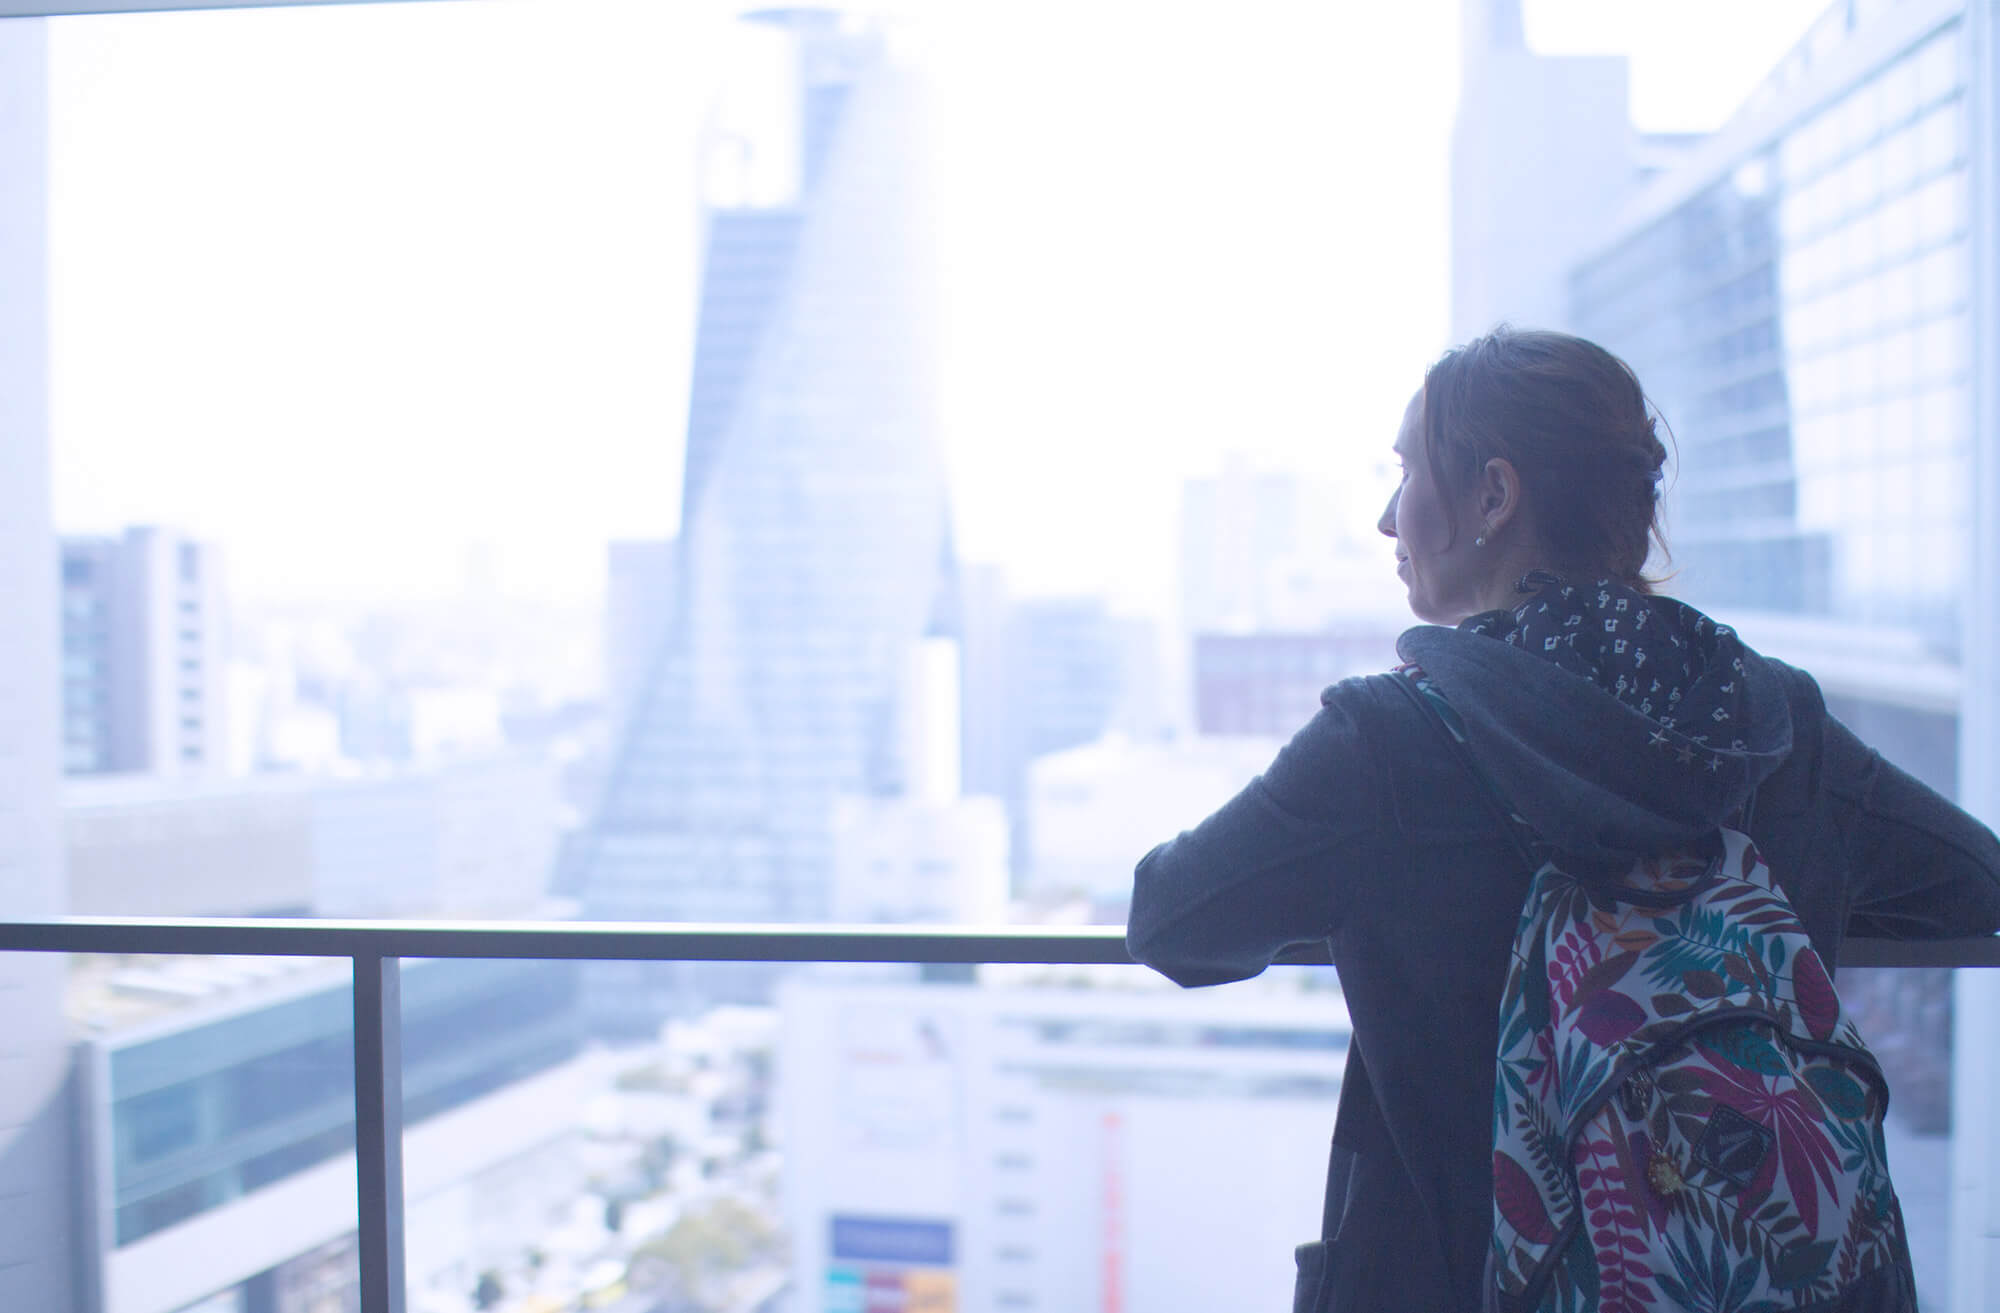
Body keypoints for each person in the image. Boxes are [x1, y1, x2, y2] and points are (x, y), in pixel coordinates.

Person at [1125, 327, 2000, 1310]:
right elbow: (1974, 882)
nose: (1384, 517)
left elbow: (1171, 918)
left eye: (1405, 471)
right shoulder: (1771, 723)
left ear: (1492, 497)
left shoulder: (1387, 742)